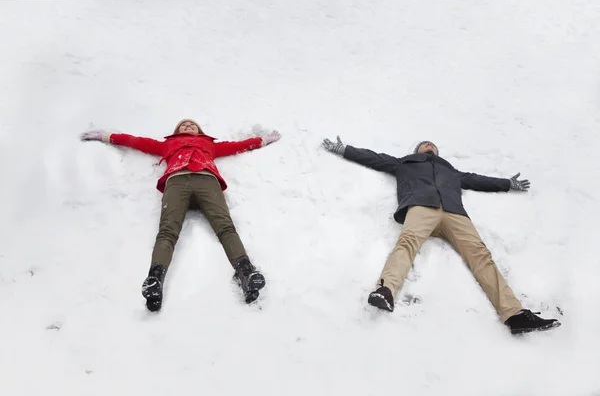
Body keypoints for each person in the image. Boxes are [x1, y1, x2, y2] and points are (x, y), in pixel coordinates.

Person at [322, 137, 560, 335]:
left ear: (437, 152)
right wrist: (345, 150)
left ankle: (514, 314)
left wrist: (507, 183)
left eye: (432, 145)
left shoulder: (450, 171)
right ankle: (385, 291)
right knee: (407, 243)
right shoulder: (404, 163)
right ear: (416, 150)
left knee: (481, 256)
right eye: (424, 144)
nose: (429, 145)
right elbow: (375, 158)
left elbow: (476, 179)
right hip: (421, 207)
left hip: (455, 213)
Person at [81, 119, 281, 311]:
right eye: (183, 125)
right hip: (176, 182)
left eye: (192, 124)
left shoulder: (209, 145)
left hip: (207, 181)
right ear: (176, 131)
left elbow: (239, 145)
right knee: (167, 231)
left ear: (199, 131)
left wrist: (262, 140)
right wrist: (105, 136)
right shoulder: (167, 144)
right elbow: (135, 141)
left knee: (226, 227)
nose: (188, 125)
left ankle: (245, 271)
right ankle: (155, 279)